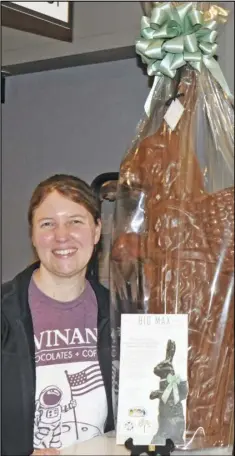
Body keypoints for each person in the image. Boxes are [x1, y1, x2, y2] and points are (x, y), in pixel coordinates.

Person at [1, 174, 114, 456]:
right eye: (48, 224)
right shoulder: (4, 312)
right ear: (33, 235)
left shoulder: (119, 315)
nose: (61, 235)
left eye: (75, 221)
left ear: (97, 231)